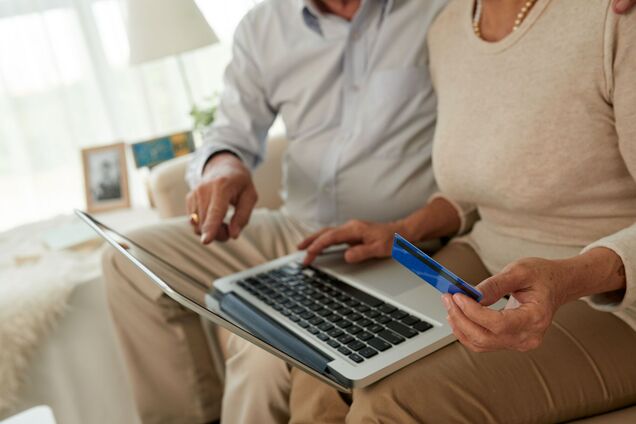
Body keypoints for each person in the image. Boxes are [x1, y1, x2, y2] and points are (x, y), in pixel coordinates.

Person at [278, 0, 636, 422]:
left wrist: (569, 278)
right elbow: (482, 185)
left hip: (608, 294)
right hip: (486, 260)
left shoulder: (614, 19)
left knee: (390, 404)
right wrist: (403, 229)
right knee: (330, 360)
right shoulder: (446, 30)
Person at [102, 0, 448, 422]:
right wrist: (224, 167)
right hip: (297, 229)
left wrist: (408, 228)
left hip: (390, 242)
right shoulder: (263, 26)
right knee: (127, 258)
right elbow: (230, 131)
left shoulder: (439, 10)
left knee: (262, 351)